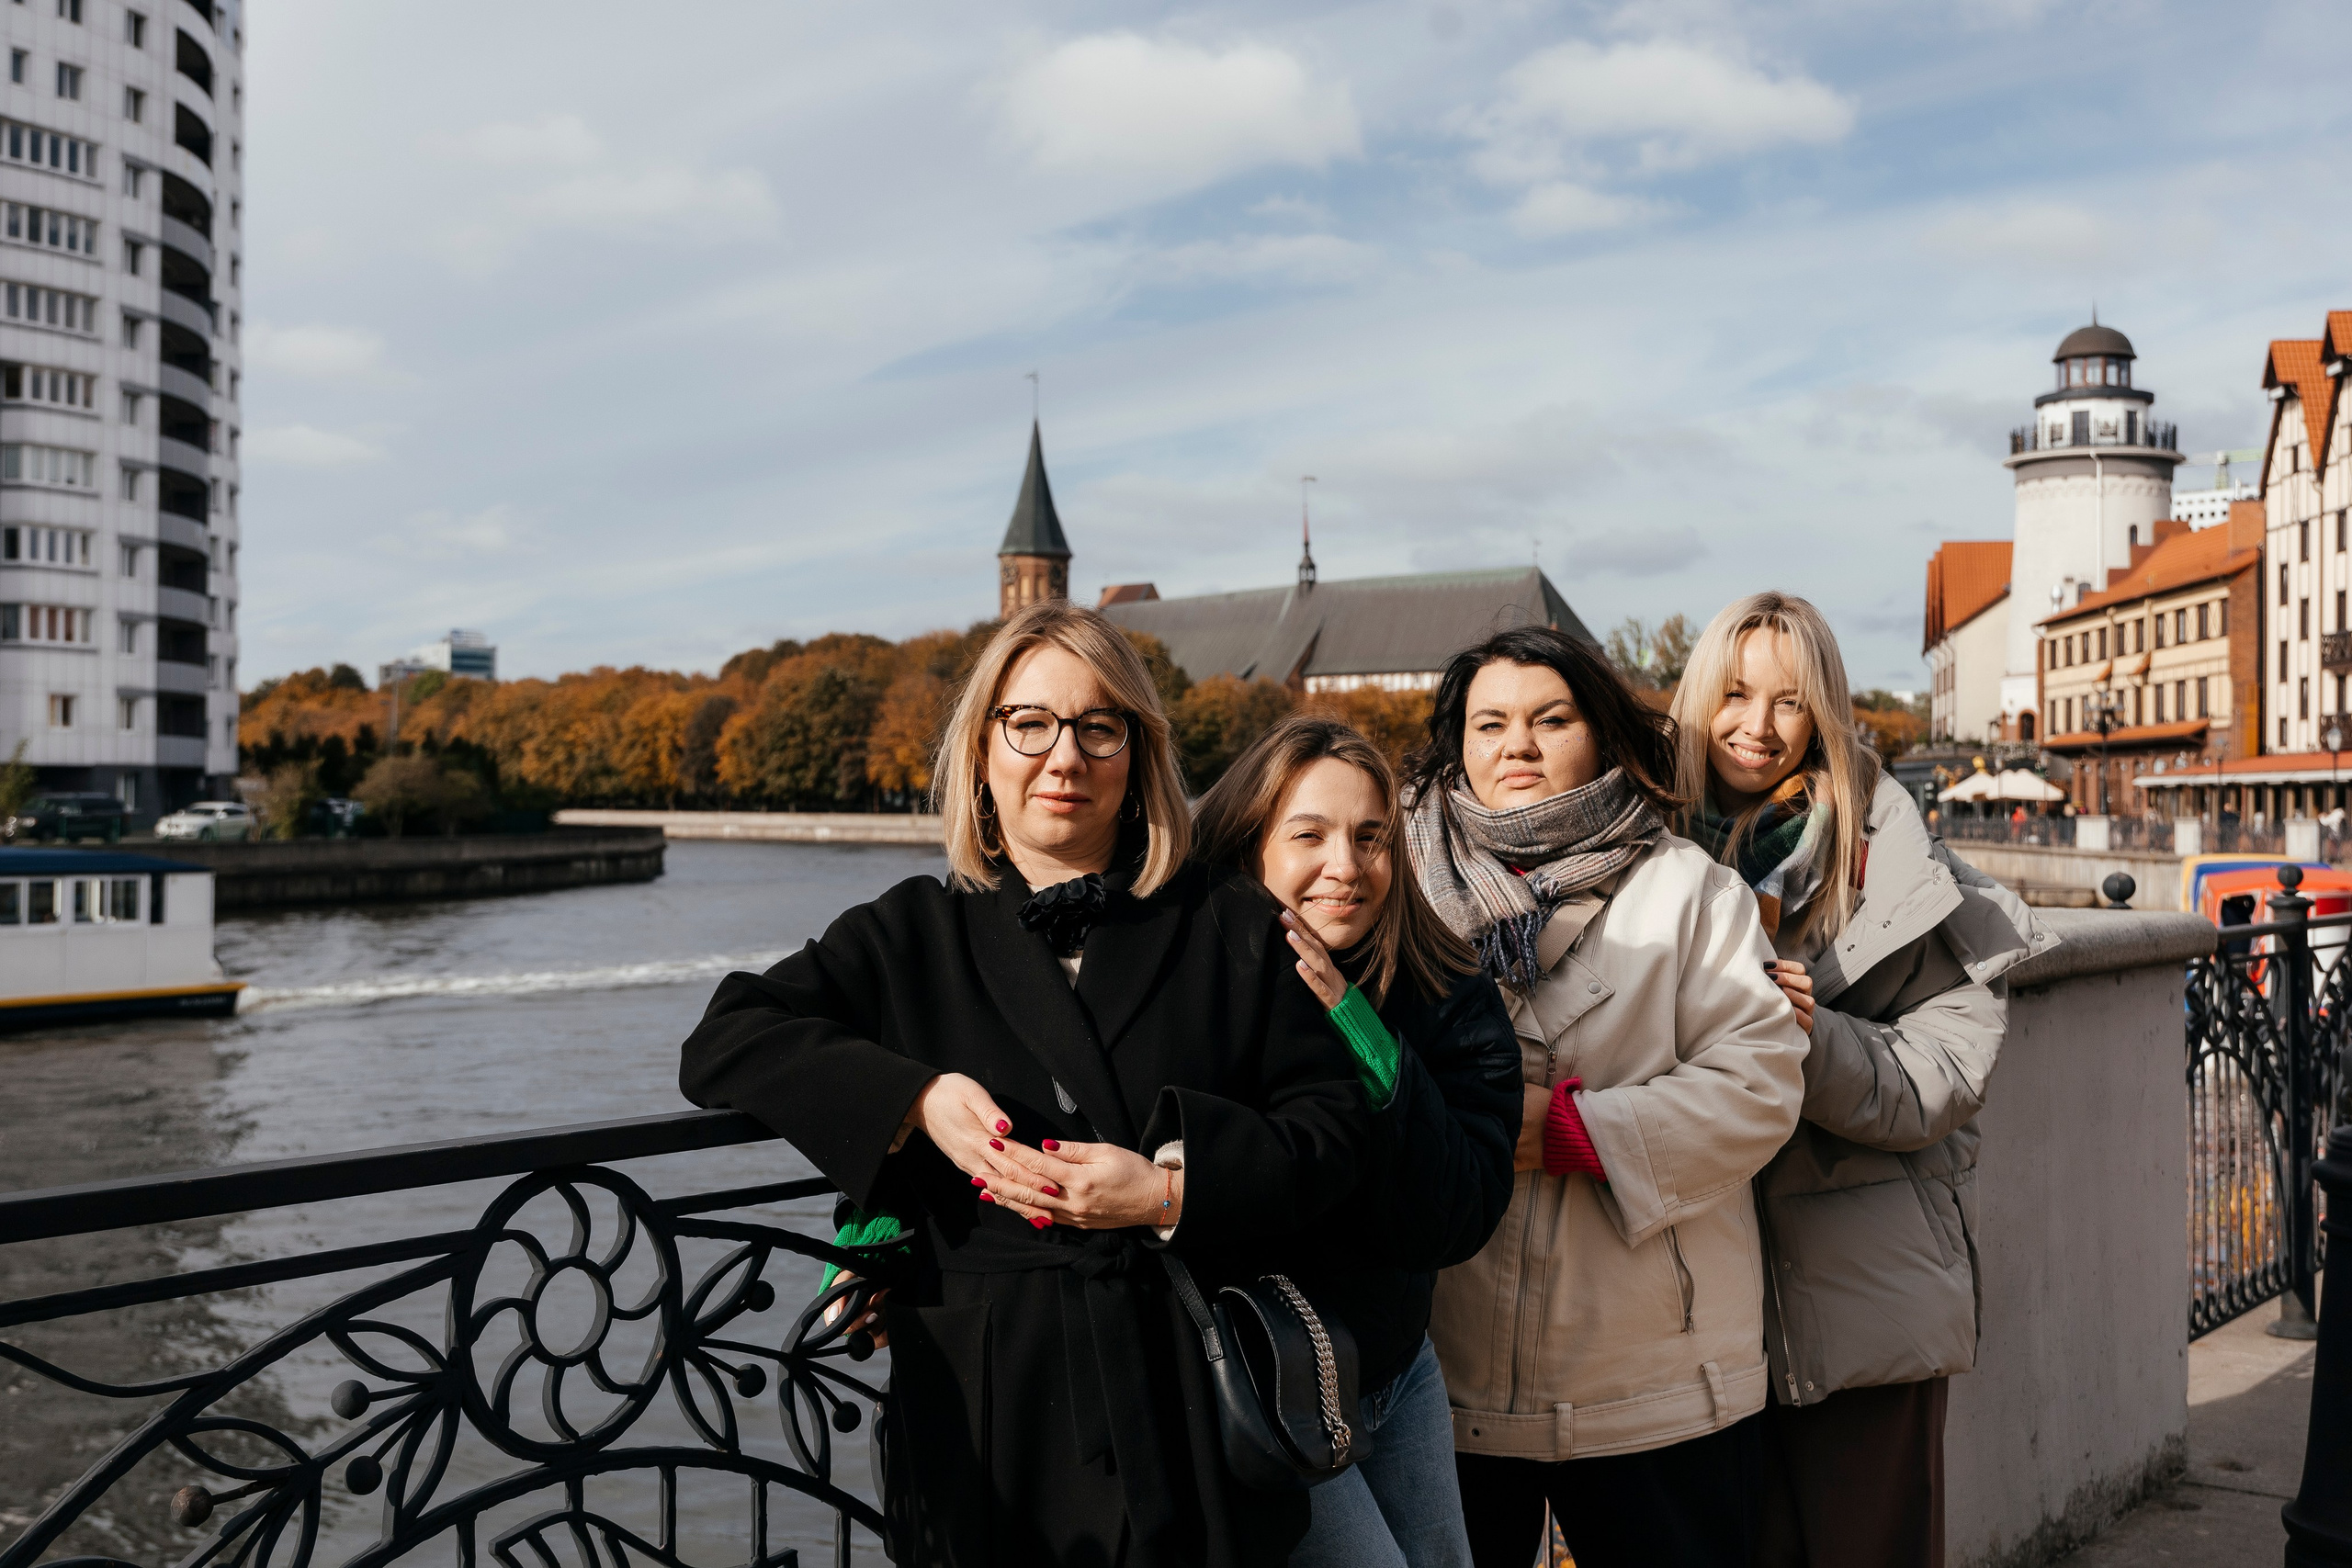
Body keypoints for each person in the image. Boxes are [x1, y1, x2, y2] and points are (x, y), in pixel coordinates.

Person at [677, 601, 1371, 1568]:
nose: (1064, 756)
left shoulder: (1230, 924)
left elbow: (1334, 1138)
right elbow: (724, 1040)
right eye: (1030, 724)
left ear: (1137, 758)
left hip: (1185, 1392)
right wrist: (911, 1099)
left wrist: (1169, 1191)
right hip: (990, 1405)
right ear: (981, 754)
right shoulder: (907, 932)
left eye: (1099, 726)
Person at [1668, 592, 2052, 1568]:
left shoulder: (1906, 879)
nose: (1756, 727)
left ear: (1824, 715)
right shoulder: (1647, 857)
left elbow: (1942, 1081)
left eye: (1788, 702)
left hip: (1862, 1302)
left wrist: (1808, 1034)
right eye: (1734, 695)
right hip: (1689, 1311)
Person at [1411, 625, 1809, 1568]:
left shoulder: (1691, 890)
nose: (1517, 745)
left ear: (1601, 736)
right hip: (1443, 1360)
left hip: (1652, 1366)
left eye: (1550, 719)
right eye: (1489, 723)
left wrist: (1576, 1133)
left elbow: (1759, 1081)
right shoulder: (1399, 880)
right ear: (1456, 744)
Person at [1191, 715, 1521, 1568]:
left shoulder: (1442, 984)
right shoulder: (1188, 977)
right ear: (1248, 840)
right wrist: (883, 1218)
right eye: (1310, 834)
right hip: (1265, 1375)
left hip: (1392, 1363)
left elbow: (1458, 1212)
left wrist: (1361, 1032)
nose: (1346, 866)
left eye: (1371, 837)